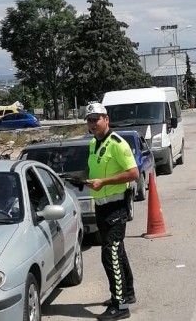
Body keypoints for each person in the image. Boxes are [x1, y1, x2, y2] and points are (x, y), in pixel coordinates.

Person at [84, 102, 138, 321]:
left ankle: (120, 305)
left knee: (110, 254)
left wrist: (103, 182)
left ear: (106, 119)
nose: (92, 124)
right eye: (89, 120)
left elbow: (133, 173)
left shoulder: (118, 144)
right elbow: (94, 168)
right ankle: (128, 293)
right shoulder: (93, 144)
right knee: (118, 251)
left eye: (96, 119)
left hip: (116, 207)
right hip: (101, 207)